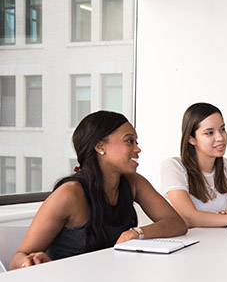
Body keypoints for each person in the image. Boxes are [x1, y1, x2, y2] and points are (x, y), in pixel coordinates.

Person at [9, 111, 187, 270]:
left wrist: (135, 233)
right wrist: (29, 261)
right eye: (129, 141)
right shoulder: (69, 195)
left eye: (136, 142)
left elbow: (176, 223)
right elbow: (17, 259)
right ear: (100, 146)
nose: (137, 149)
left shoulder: (133, 183)